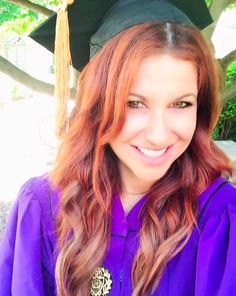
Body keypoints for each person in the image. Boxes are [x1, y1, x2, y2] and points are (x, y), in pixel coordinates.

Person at [1, 1, 236, 296]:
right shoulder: (43, 208)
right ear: (98, 104)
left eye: (181, 104)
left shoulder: (220, 220)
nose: (158, 134)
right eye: (134, 103)